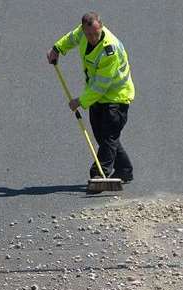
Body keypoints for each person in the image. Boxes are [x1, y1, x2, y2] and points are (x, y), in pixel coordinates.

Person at [47, 12, 136, 183]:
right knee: (102, 136)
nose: (93, 37)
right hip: (97, 96)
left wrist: (79, 101)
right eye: (88, 34)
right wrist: (57, 49)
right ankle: (124, 170)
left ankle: (98, 173)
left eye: (96, 33)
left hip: (116, 97)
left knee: (109, 136)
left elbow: (102, 86)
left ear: (101, 26)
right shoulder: (82, 33)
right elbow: (71, 39)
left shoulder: (110, 50)